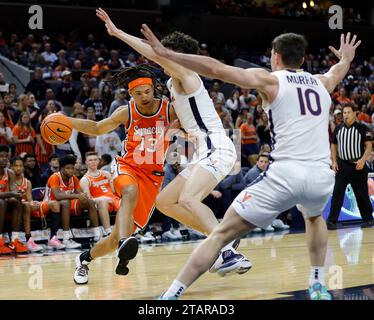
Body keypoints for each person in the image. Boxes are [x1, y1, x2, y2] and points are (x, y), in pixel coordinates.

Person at [142, 29, 362, 300]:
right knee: (314, 218)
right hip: (321, 177)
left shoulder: (270, 80)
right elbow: (337, 72)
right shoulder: (321, 82)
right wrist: (346, 59)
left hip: (285, 176)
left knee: (220, 234)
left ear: (276, 56)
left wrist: (169, 54)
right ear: (303, 59)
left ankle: (171, 295)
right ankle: (317, 283)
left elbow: (217, 69)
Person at [95, 8, 250, 277]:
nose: (159, 54)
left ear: (177, 56)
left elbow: (155, 54)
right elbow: (157, 57)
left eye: (164, 51)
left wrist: (118, 32)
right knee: (165, 200)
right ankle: (220, 237)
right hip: (203, 150)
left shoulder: (189, 76)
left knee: (189, 198)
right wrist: (175, 128)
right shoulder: (172, 80)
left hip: (216, 146)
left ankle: (225, 251)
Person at [71, 64, 177, 284]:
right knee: (129, 191)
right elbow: (97, 127)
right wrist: (68, 121)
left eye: (147, 91)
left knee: (114, 238)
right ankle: (123, 244)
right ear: (130, 94)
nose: (144, 96)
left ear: (153, 89)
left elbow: (192, 123)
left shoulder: (169, 109)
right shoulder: (126, 111)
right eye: (138, 93)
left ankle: (84, 259)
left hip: (153, 177)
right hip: (127, 166)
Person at [327, 104, 373, 229]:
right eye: (344, 113)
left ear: (354, 113)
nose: (346, 115)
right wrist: (334, 161)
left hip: (357, 165)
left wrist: (363, 160)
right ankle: (331, 221)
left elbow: (369, 145)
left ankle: (368, 219)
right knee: (337, 193)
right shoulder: (338, 129)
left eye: (348, 112)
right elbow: (333, 145)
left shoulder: (362, 128)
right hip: (342, 165)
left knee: (361, 194)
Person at [45, 155, 100, 249]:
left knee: (90, 202)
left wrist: (84, 196)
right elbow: (57, 196)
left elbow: (80, 193)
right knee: (66, 202)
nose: (71, 170)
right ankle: (66, 239)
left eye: (72, 168)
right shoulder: (55, 177)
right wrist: (77, 196)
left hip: (67, 206)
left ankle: (98, 236)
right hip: (51, 205)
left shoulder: (73, 178)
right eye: (68, 168)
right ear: (61, 169)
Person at [80, 152, 120, 238]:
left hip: (113, 199)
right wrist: (102, 198)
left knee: (127, 200)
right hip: (101, 203)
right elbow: (89, 200)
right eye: (90, 160)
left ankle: (137, 231)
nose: (93, 162)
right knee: (102, 202)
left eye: (95, 160)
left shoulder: (106, 174)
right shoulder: (85, 179)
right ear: (86, 162)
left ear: (98, 161)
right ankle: (108, 232)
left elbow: (114, 191)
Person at [10, 157, 44, 252]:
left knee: (30, 205)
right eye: (16, 166)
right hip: (12, 207)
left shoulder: (27, 182)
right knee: (24, 205)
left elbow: (29, 199)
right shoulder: (8, 180)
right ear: (11, 167)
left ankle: (29, 240)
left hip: (24, 207)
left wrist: (34, 203)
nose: (18, 168)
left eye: (20, 166)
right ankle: (28, 238)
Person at [0, 145, 28, 255]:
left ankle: (14, 240)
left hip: (3, 201)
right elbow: (10, 193)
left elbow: (13, 191)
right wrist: (12, 193)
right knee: (1, 202)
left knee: (17, 202)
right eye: (1, 156)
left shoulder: (10, 173)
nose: (4, 159)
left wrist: (18, 195)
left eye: (6, 156)